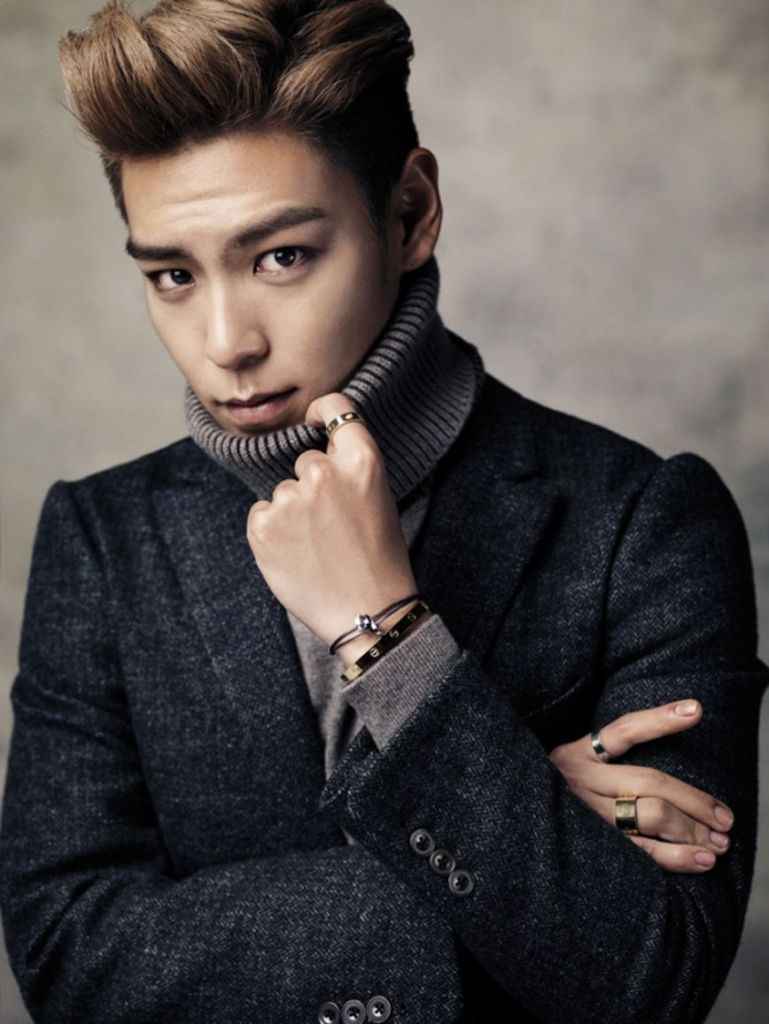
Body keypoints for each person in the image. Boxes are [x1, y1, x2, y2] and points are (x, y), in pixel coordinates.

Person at [0, 1, 766, 1022]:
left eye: (280, 256)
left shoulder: (644, 522)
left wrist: (388, 633)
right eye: (173, 275)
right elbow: (66, 955)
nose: (225, 342)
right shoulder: (102, 538)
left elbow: (652, 977)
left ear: (409, 212)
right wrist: (524, 817)